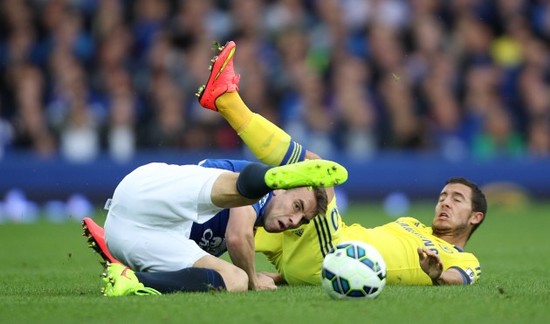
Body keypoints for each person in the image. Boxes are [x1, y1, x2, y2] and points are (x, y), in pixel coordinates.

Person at [195, 41, 486, 286]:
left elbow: (457, 278)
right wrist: (287, 277)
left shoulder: (465, 260)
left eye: (457, 199)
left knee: (316, 172)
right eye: (443, 196)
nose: (445, 203)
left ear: (475, 217)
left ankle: (227, 101)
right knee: (256, 211)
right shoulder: (411, 223)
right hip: (319, 251)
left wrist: (437, 277)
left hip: (333, 252)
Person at [83, 150, 348, 296]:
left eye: (303, 219)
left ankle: (131, 278)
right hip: (146, 194)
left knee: (235, 280)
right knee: (244, 191)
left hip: (129, 238)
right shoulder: (259, 197)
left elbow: (244, 254)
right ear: (283, 190)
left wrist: (275, 277)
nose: (294, 221)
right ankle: (271, 176)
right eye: (297, 206)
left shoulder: (263, 223)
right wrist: (255, 279)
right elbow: (236, 236)